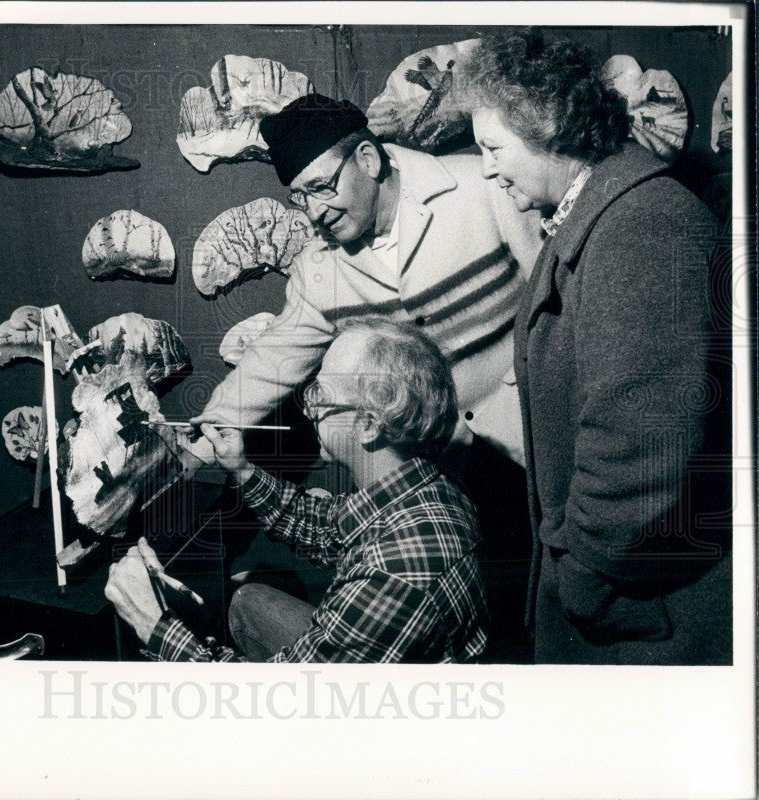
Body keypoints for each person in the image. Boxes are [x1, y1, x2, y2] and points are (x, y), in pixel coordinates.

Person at [459, 28, 732, 665]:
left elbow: (641, 446)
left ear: (548, 125)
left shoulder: (643, 226)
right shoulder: (594, 217)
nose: (487, 168)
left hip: (651, 619)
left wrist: (583, 578)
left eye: (494, 147)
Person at [188, 92, 545, 466]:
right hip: (448, 470)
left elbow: (561, 299)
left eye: (320, 188)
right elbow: (272, 360)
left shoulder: (481, 186)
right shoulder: (318, 268)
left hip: (544, 430)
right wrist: (201, 445)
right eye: (300, 197)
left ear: (368, 159)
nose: (314, 213)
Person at [105, 318, 489, 662]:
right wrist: (241, 469)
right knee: (248, 600)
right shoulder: (425, 486)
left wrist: (154, 626)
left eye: (320, 395)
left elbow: (275, 704)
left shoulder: (392, 576)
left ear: (369, 426)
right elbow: (326, 528)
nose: (309, 408)